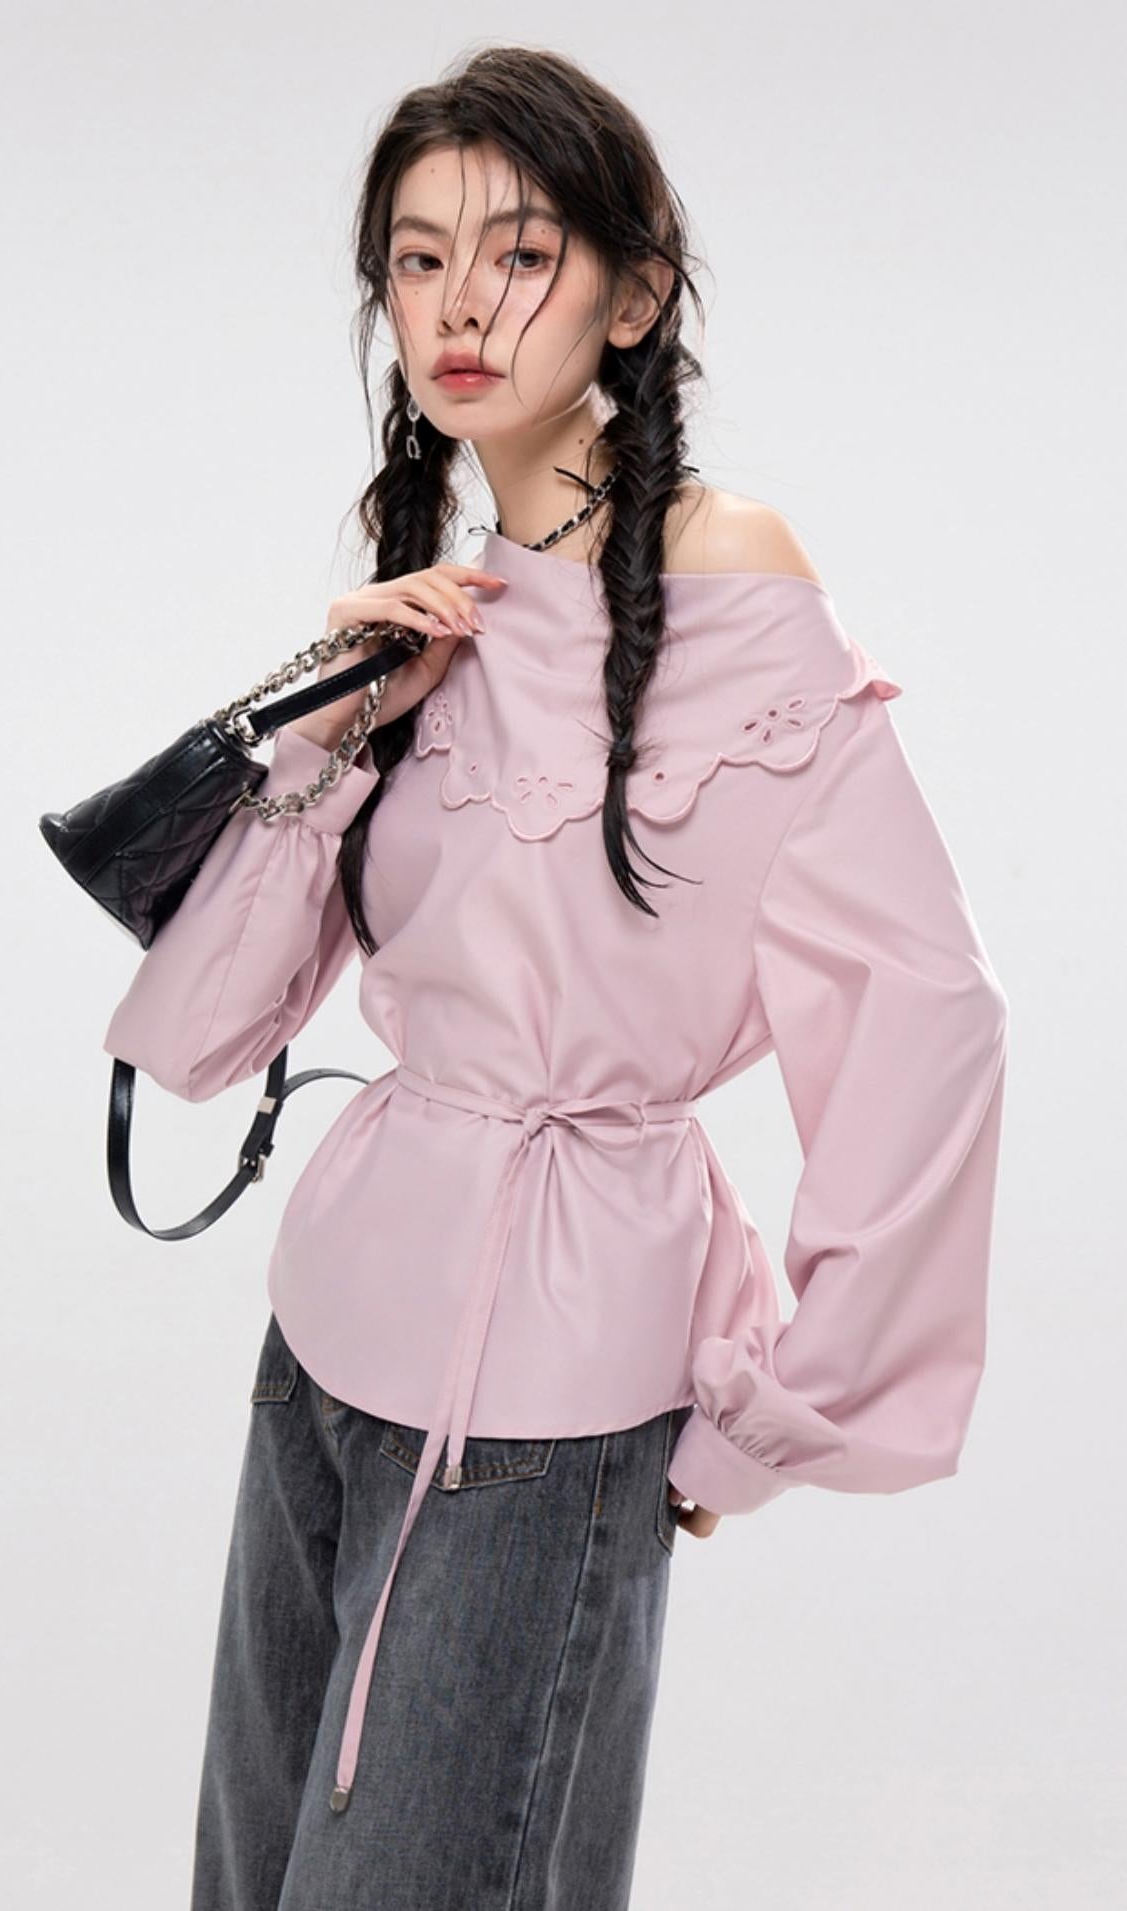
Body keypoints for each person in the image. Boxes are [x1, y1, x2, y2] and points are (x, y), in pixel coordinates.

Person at [101, 45, 1009, 1911]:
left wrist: (773, 1414)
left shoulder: (736, 585)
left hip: (550, 1404)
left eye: (519, 254)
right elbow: (197, 1040)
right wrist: (333, 719)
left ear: (635, 292)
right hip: (317, 1360)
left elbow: (927, 1023)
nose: (460, 305)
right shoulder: (444, 609)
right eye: (417, 259)